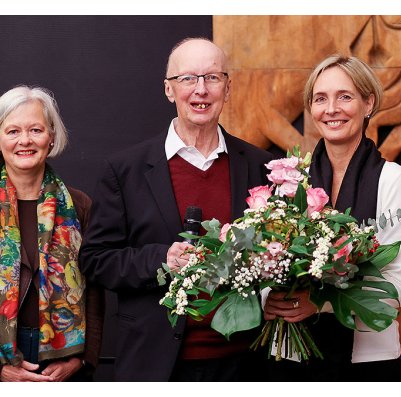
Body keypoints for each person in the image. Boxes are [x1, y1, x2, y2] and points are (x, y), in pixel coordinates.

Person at [78, 37, 272, 381]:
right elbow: (96, 260)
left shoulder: (261, 166)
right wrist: (161, 259)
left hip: (246, 362)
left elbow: (277, 253)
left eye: (212, 78)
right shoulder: (125, 170)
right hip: (154, 363)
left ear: (227, 89)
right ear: (169, 90)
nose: (201, 90)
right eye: (188, 79)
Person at [263, 55, 401, 381]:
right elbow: (266, 261)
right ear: (311, 108)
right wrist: (270, 298)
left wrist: (319, 301)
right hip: (291, 358)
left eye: (345, 96)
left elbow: (398, 287)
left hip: (367, 363)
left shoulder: (393, 180)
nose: (331, 109)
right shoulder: (293, 179)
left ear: (369, 103)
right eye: (320, 98)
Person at [0, 86, 103, 382]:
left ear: (51, 136)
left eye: (35, 130)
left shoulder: (80, 206)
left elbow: (94, 292)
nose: (25, 140)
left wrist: (79, 359)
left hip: (60, 363)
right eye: (13, 131)